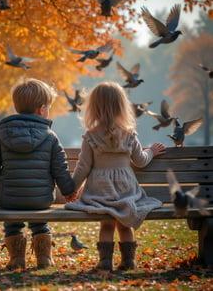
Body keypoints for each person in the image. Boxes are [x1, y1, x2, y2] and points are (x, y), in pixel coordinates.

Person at [65, 81, 166, 272]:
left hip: (100, 191)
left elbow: (83, 166)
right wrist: (151, 151)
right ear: (122, 106)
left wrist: (73, 189)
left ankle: (105, 263)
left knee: (107, 224)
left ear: (94, 108)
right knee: (124, 224)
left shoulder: (91, 136)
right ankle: (129, 262)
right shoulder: (129, 134)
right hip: (126, 190)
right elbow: (141, 161)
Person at [0, 78, 74, 270]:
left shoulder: (2, 134)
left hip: (10, 198)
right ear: (42, 109)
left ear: (17, 109)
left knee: (12, 224)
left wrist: (5, 179)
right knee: (40, 223)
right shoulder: (50, 137)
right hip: (40, 200)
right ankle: (44, 259)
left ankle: (16, 259)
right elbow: (60, 170)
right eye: (48, 107)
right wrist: (69, 191)